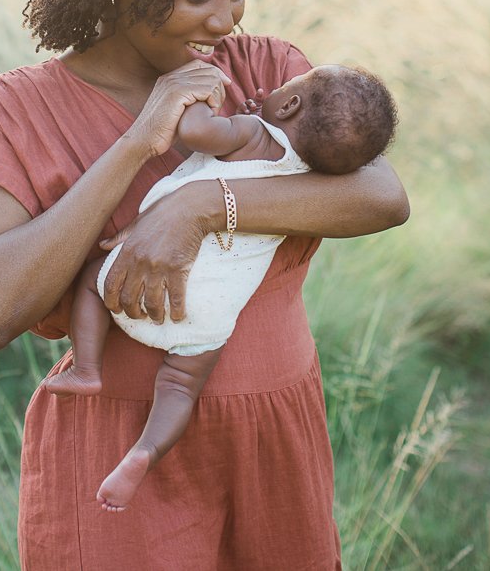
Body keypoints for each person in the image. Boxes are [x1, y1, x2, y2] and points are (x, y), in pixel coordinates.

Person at [0, 0, 409, 570]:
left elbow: (382, 194)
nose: (226, 21)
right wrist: (136, 144)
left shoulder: (270, 77)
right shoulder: (20, 109)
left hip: (272, 439)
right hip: (117, 453)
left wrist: (196, 207)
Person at [44, 64, 398, 511]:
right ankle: (144, 452)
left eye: (285, 89)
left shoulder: (250, 131)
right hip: (211, 315)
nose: (271, 88)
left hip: (145, 279)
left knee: (92, 284)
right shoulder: (312, 181)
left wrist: (202, 99)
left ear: (288, 105)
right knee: (178, 387)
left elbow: (193, 133)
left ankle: (88, 368)